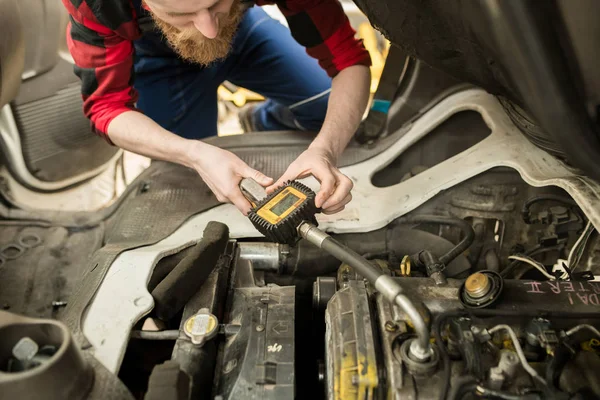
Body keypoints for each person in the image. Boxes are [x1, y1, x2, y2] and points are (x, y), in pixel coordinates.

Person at [61, 0, 372, 215]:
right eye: (178, 13)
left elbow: (348, 60)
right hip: (160, 65)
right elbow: (105, 108)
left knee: (328, 108)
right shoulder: (96, 4)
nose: (208, 29)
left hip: (242, 33)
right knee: (197, 188)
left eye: (215, 3)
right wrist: (193, 154)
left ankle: (260, 120)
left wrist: (326, 151)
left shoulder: (219, 23)